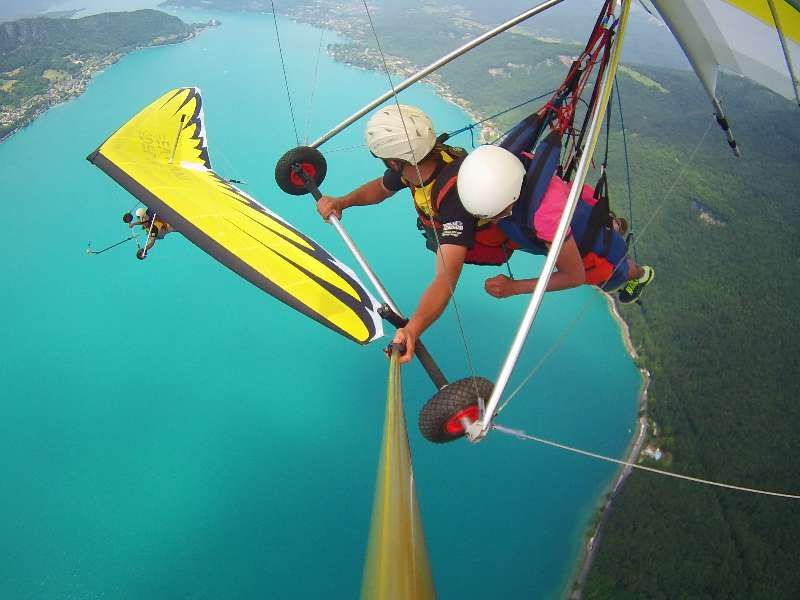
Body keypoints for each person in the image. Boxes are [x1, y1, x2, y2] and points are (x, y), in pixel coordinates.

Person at [316, 105, 652, 363]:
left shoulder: (457, 203)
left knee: (610, 271)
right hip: (554, 223)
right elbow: (382, 187)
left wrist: (415, 327)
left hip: (573, 243)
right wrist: (342, 201)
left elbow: (445, 278)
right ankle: (613, 231)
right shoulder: (423, 165)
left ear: (394, 161)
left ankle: (637, 270)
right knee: (590, 233)